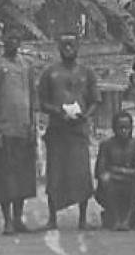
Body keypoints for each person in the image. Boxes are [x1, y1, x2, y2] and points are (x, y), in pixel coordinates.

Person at [38, 34, 99, 231]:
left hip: (78, 131)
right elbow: (42, 102)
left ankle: (82, 219)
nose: (68, 48)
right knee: (55, 173)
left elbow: (95, 100)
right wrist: (58, 112)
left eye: (72, 44)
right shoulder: (49, 73)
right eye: (64, 44)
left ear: (78, 46)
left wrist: (85, 115)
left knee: (81, 174)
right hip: (57, 130)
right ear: (58, 47)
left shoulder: (87, 73)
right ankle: (52, 218)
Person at [0, 27, 37, 234]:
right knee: (5, 177)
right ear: (3, 39)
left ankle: (18, 219)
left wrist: (33, 124)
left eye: (17, 38)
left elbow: (32, 98)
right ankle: (6, 221)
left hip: (23, 128)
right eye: (10, 37)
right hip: (4, 129)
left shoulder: (27, 66)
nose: (13, 41)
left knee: (23, 176)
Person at [94, 112, 135, 231]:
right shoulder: (106, 145)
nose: (124, 131)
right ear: (114, 129)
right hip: (113, 182)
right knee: (105, 178)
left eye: (127, 128)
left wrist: (118, 170)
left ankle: (128, 219)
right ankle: (115, 218)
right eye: (121, 128)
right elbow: (99, 171)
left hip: (130, 182)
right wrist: (127, 172)